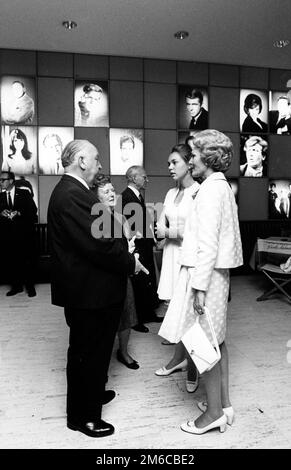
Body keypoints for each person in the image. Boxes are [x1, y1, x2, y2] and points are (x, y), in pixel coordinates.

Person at [47, 140, 145, 438]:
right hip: (89, 294)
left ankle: (90, 397)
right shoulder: (74, 195)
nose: (101, 165)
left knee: (92, 353)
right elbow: (100, 246)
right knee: (87, 354)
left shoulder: (73, 192)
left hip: (90, 291)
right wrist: (131, 263)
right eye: (97, 158)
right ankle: (83, 417)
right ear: (81, 160)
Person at [159, 130, 243, 435]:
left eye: (193, 155)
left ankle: (214, 414)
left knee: (202, 346)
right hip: (219, 276)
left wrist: (198, 288)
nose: (190, 160)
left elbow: (207, 245)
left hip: (206, 277)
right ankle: (224, 404)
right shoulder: (221, 187)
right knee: (217, 341)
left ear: (207, 157)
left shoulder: (209, 190)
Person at [154, 144, 200, 393]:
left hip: (190, 259)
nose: (169, 167)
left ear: (188, 163)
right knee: (176, 311)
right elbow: (161, 223)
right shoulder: (171, 194)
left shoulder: (199, 191)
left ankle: (192, 366)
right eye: (169, 163)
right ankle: (178, 359)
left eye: (174, 162)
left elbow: (198, 232)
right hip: (171, 255)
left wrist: (168, 232)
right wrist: (160, 235)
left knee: (191, 316)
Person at [92, 174, 139, 370]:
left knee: (126, 314)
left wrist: (130, 250)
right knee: (103, 320)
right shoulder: (94, 218)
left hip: (123, 274)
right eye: (105, 191)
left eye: (112, 190)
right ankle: (101, 355)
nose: (111, 194)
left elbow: (129, 241)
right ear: (96, 196)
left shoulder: (120, 217)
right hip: (103, 278)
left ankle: (123, 351)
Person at [122, 166, 162, 333]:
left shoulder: (136, 196)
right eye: (144, 177)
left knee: (146, 280)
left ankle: (148, 313)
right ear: (134, 178)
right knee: (139, 281)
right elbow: (129, 226)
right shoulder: (127, 197)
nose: (147, 180)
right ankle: (137, 319)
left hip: (144, 245)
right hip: (136, 247)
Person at [0, 171, 38, 297]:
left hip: (24, 235)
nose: (1, 182)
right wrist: (1, 213)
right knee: (11, 262)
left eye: (3, 180)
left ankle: (30, 287)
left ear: (11, 181)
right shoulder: (0, 197)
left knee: (27, 261)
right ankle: (16, 287)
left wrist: (19, 213)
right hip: (8, 236)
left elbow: (33, 211)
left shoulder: (24, 193)